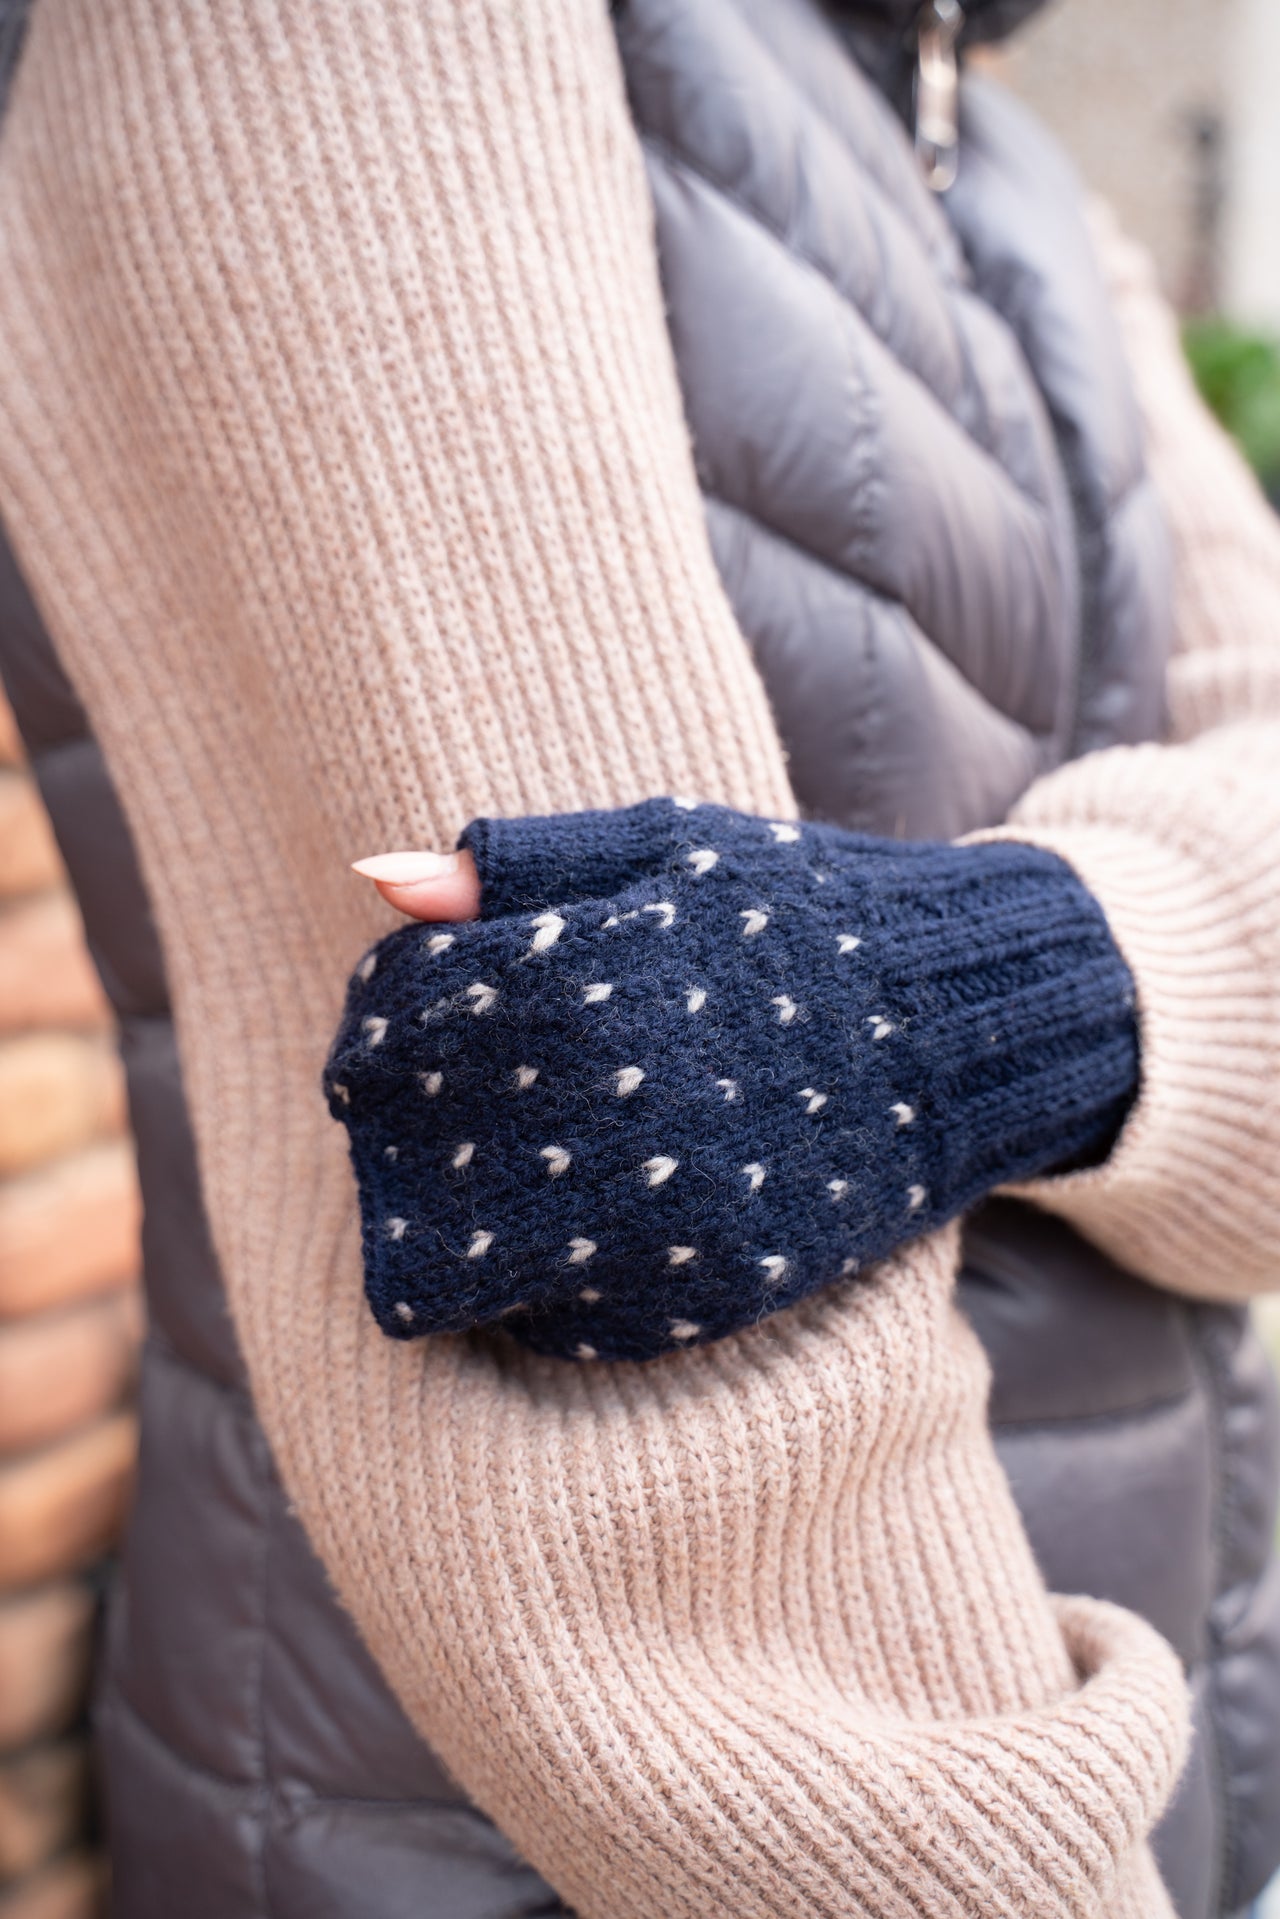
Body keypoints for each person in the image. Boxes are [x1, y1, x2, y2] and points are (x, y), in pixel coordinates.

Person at [0, 1, 1278, 1914]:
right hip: (552, 1826)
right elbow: (653, 1447)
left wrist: (1019, 993)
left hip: (1182, 1689)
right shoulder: (340, 41)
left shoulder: (999, 166)